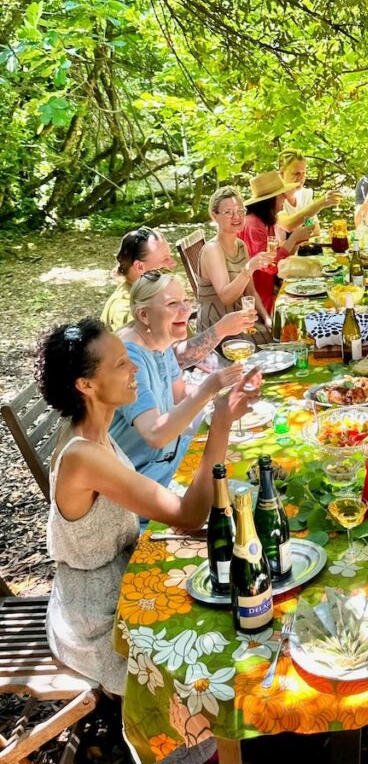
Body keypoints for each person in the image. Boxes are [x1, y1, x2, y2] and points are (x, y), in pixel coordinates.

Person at [36, 317, 259, 695]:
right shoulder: (83, 455)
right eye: (121, 363)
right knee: (220, 649)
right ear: (85, 385)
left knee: (233, 578)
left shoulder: (92, 429)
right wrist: (220, 420)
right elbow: (191, 515)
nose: (135, 368)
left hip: (122, 582)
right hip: (100, 622)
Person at [109, 271, 245, 493]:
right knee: (239, 486)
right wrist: (209, 388)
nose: (185, 310)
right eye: (172, 304)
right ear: (144, 315)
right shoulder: (130, 359)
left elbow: (179, 394)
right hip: (144, 477)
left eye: (185, 300)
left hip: (172, 455)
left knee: (248, 454)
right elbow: (155, 434)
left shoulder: (158, 339)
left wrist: (226, 394)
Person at [197, 186, 273, 333]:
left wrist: (266, 317)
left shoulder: (241, 245)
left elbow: (251, 292)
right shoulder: (213, 249)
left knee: (283, 331)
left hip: (240, 320)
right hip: (218, 327)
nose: (236, 216)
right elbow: (226, 298)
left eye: (240, 211)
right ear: (214, 216)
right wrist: (249, 269)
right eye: (228, 212)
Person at [238, 172, 314, 317]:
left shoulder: (266, 221)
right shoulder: (253, 225)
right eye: (281, 194)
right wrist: (293, 238)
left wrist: (298, 240)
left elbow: (276, 256)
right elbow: (269, 266)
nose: (285, 197)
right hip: (258, 300)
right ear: (270, 200)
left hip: (270, 288)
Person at [101, 226, 176, 331]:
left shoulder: (150, 292)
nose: (173, 263)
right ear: (140, 267)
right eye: (165, 259)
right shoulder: (128, 312)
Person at [275, 149, 341, 237]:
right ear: (282, 173)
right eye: (296, 173)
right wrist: (320, 203)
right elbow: (288, 225)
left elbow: (314, 230)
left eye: (304, 173)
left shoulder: (304, 195)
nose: (301, 178)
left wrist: (308, 229)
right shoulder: (274, 197)